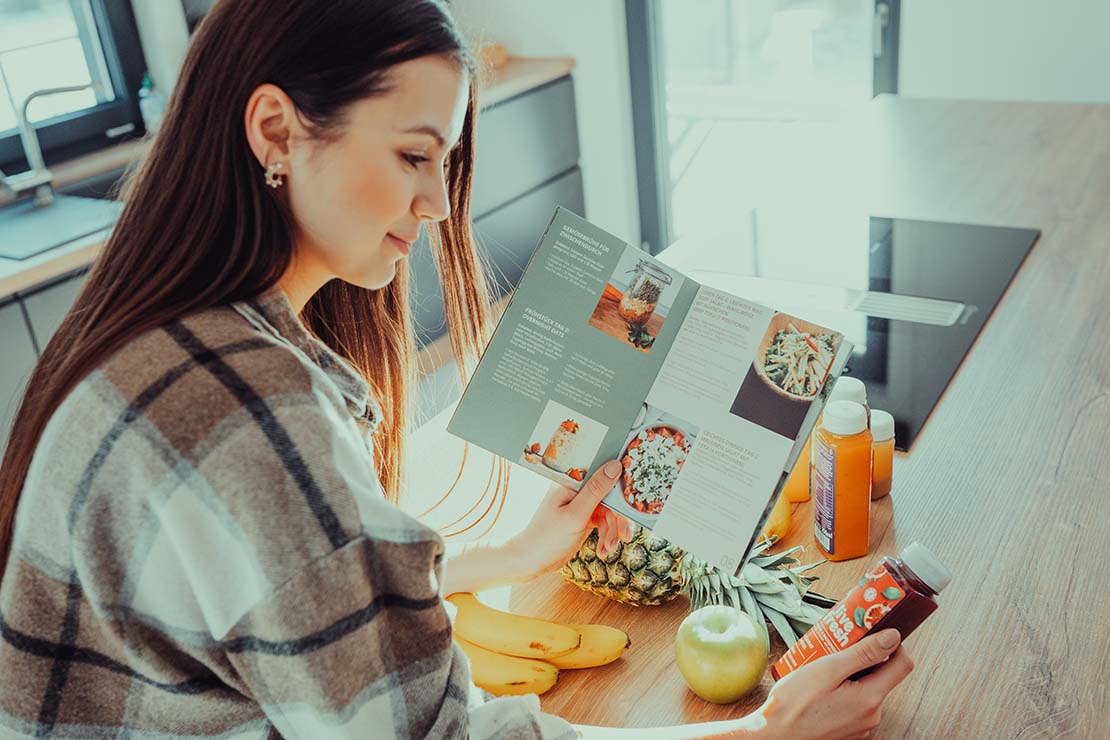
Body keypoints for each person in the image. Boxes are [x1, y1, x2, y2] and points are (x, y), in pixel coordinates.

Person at [0, 1, 912, 737]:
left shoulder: (160, 335)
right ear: (277, 130)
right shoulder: (256, 412)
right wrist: (764, 736)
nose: (438, 204)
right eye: (413, 157)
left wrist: (508, 557)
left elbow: (275, 596)